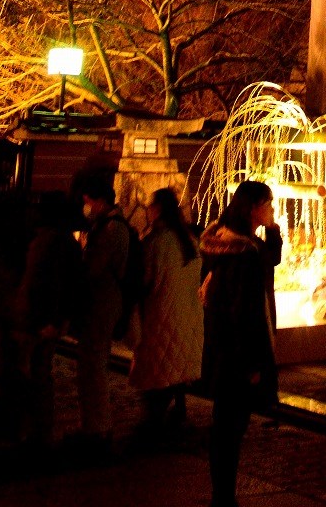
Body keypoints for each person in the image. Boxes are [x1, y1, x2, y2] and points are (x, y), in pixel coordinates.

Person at [199, 181, 278, 507]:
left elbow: (269, 258)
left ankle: (222, 494)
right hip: (238, 355)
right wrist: (252, 364)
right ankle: (223, 497)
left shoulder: (224, 243)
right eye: (269, 204)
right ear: (254, 208)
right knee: (230, 428)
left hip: (221, 348)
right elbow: (245, 311)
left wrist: (273, 231)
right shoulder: (244, 254)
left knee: (225, 425)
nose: (272, 209)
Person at [128, 187, 203, 439]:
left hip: (159, 316)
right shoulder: (189, 241)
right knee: (176, 370)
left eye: (149, 206)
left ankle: (153, 426)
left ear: (157, 209)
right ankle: (175, 416)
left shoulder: (156, 242)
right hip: (186, 315)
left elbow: (146, 279)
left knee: (157, 373)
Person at [11, 191, 82, 452]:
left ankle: (35, 432)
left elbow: (47, 284)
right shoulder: (63, 241)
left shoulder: (49, 242)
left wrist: (50, 319)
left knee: (33, 375)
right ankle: (38, 431)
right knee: (38, 374)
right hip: (41, 318)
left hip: (36, 319)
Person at [69, 170, 131, 459]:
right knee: (91, 366)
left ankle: (97, 429)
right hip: (103, 301)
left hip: (103, 302)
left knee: (93, 367)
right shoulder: (108, 226)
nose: (86, 207)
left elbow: (94, 268)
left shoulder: (112, 229)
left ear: (100, 200)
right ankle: (93, 426)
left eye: (88, 201)